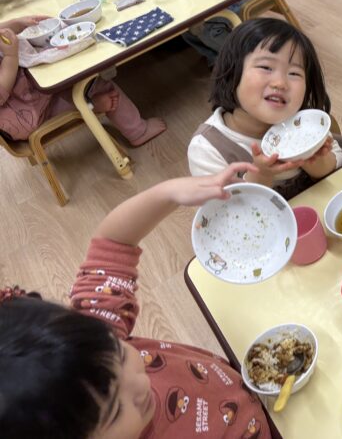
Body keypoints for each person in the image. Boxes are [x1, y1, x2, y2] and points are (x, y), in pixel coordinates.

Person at [0, 164, 272, 438]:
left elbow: (113, 241)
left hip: (248, 388)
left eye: (119, 354)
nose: (140, 386)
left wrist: (168, 193)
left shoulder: (91, 343)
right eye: (115, 411)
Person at [188, 18, 342, 199]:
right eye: (265, 67)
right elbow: (226, 210)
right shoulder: (207, 148)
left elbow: (338, 169)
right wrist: (262, 174)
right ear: (232, 72)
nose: (280, 83)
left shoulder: (302, 122)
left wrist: (314, 160)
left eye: (294, 73)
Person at [0, 16, 164, 145]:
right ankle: (137, 131)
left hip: (28, 93)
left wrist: (17, 24)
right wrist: (10, 56)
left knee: (67, 70)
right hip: (29, 116)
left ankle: (89, 103)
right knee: (97, 85)